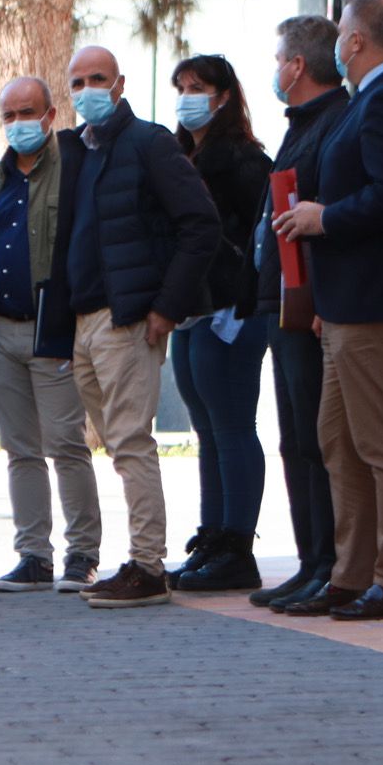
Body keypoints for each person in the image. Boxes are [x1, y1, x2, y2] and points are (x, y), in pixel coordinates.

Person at [275, 0, 383, 620]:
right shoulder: (376, 96)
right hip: (350, 301)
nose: (338, 43)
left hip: (378, 300)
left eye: (343, 33)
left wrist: (323, 219)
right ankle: (350, 574)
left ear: (356, 42)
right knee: (338, 439)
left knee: (382, 443)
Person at [40, 45, 219, 608]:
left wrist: (166, 306)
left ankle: (147, 564)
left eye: (98, 78)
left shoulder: (148, 142)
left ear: (119, 84)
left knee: (131, 442)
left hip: (129, 319)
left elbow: (201, 225)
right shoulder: (74, 152)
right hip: (85, 320)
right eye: (78, 81)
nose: (88, 89)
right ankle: (138, 559)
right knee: (116, 445)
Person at [0, 76, 103, 593]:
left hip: (53, 330)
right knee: (20, 449)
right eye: (10, 114)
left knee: (66, 444)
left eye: (28, 112)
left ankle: (82, 555)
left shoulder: (73, 173)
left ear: (50, 113)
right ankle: (33, 555)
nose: (19, 123)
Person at [240, 16, 352, 616]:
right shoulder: (302, 124)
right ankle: (311, 562)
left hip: (310, 306)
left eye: (279, 58)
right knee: (294, 440)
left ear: (297, 66)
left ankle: (330, 566)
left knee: (317, 440)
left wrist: (321, 300)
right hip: (280, 301)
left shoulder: (335, 122)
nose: (276, 69)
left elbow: (329, 215)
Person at [165, 54, 274, 593]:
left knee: (231, 425)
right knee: (204, 429)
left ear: (225, 95)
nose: (189, 95)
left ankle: (237, 545)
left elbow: (259, 242)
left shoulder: (244, 160)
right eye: (182, 86)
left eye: (199, 86)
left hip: (233, 309)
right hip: (190, 309)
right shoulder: (180, 153)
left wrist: (243, 301)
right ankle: (212, 537)